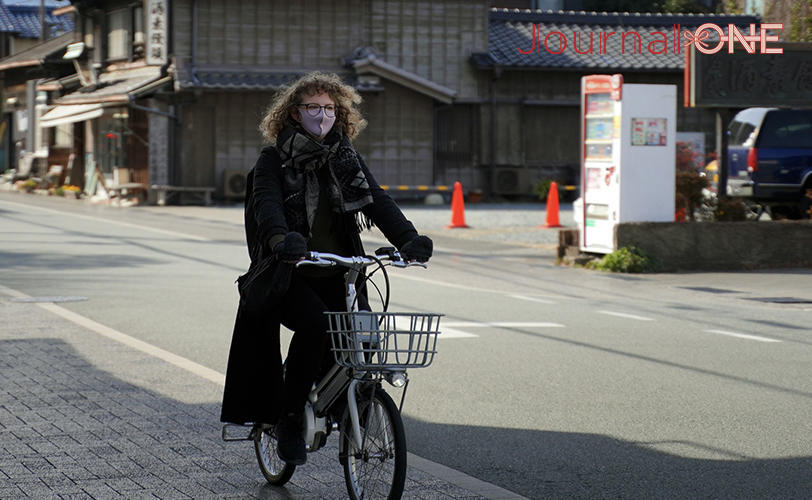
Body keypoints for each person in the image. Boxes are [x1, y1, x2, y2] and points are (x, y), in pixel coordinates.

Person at [220, 72, 433, 466]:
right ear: (294, 113)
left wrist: (409, 239)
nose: (323, 116)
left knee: (363, 333)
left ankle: (341, 403)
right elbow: (266, 206)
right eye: (313, 108)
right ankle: (287, 417)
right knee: (317, 325)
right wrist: (282, 240)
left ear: (341, 114)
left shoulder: (344, 156)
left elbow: (376, 200)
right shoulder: (274, 158)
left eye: (330, 108)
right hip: (288, 274)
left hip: (339, 271)